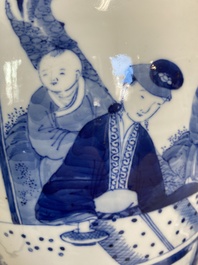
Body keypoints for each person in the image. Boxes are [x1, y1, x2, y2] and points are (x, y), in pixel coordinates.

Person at [35, 59, 198, 244]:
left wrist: (185, 191)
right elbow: (68, 184)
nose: (147, 109)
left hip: (129, 229)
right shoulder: (95, 130)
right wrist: (96, 204)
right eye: (143, 97)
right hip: (88, 223)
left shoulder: (143, 139)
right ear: (125, 89)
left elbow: (153, 196)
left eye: (156, 105)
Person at [28, 49, 114, 185]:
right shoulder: (40, 99)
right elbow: (39, 136)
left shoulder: (92, 90)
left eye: (61, 73)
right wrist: (78, 144)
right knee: (53, 171)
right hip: (60, 155)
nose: (53, 78)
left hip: (96, 151)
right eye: (45, 74)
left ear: (77, 74)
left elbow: (110, 120)